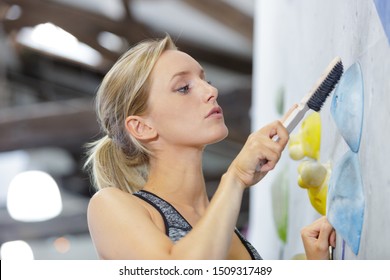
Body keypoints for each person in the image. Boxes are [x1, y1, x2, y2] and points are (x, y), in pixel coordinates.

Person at [84, 34, 335, 260]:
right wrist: (234, 178)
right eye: (183, 88)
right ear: (142, 127)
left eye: (206, 80)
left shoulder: (223, 227)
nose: (211, 91)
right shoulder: (108, 207)